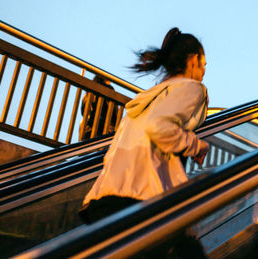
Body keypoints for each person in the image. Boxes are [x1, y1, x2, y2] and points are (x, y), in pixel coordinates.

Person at [79, 27, 210, 224]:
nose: (204, 71)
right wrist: (196, 145)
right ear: (193, 60)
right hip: (140, 199)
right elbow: (159, 127)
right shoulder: (191, 87)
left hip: (104, 198)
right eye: (203, 64)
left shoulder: (147, 100)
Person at [79, 75, 119, 141]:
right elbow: (115, 114)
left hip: (88, 128)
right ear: (106, 81)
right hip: (106, 130)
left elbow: (83, 111)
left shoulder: (88, 92)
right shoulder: (110, 90)